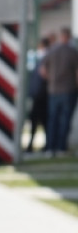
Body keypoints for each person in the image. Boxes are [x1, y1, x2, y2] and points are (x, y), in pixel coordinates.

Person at [40, 26, 78, 156]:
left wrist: (52, 80)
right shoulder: (73, 52)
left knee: (52, 120)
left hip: (53, 90)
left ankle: (50, 148)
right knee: (65, 120)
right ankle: (62, 148)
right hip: (69, 90)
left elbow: (43, 71)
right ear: (69, 37)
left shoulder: (52, 50)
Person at [27, 34, 54, 153]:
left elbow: (44, 75)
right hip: (41, 93)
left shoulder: (46, 57)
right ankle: (40, 145)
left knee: (40, 120)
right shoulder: (44, 57)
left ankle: (44, 145)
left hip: (41, 94)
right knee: (41, 121)